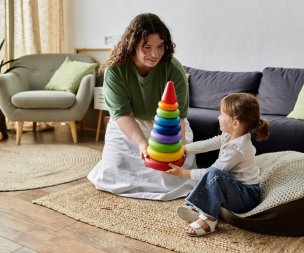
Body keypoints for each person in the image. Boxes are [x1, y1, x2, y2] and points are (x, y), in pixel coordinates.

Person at [87, 13, 197, 200]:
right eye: (147, 47)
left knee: (171, 176)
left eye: (160, 47)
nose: (155, 54)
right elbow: (121, 114)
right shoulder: (115, 70)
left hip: (167, 125)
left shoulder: (173, 69)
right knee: (114, 172)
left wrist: (180, 146)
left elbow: (180, 116)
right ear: (132, 46)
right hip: (129, 124)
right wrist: (142, 144)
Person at [165, 93, 269, 236]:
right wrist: (183, 148)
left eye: (222, 114)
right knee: (214, 177)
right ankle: (199, 207)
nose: (218, 117)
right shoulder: (230, 135)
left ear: (235, 123)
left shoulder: (237, 149)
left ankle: (209, 218)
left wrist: (182, 173)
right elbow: (209, 144)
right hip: (234, 189)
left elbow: (211, 173)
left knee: (214, 174)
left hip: (246, 198)